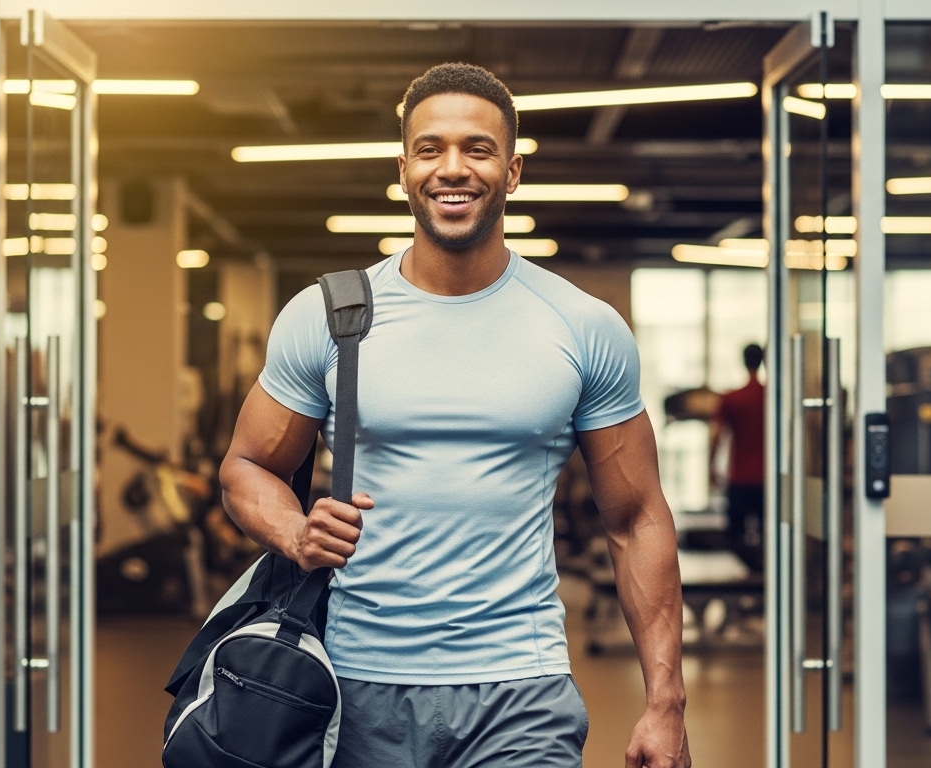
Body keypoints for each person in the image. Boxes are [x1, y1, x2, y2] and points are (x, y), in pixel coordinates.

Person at [220, 63, 690, 768]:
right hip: (357, 682)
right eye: (431, 148)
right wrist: (294, 529)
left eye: (478, 148)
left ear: (513, 169)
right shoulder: (330, 315)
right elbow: (246, 466)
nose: (454, 168)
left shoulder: (581, 325)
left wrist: (666, 702)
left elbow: (636, 518)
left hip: (520, 687)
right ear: (403, 167)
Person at [709, 344, 765, 574]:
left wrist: (710, 467)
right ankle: (761, 576)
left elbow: (716, 436)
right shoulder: (771, 396)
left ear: (744, 361)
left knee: (735, 535)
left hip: (740, 477)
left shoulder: (732, 398)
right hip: (767, 478)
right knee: (768, 535)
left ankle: (754, 572)